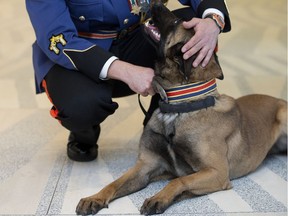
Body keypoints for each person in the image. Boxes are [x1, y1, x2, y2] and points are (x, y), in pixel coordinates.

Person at [26, 0, 231, 162]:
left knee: (191, 28)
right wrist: (125, 71)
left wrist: (213, 20)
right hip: (78, 52)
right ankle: (84, 132)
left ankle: (160, 127)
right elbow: (58, 38)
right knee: (82, 106)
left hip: (138, 37)